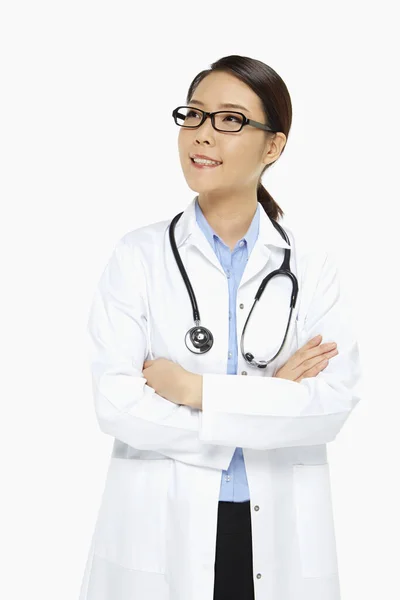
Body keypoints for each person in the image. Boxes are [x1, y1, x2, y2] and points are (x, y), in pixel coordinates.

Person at [79, 55, 362, 600]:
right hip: (159, 532)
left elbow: (330, 406)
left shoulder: (312, 264)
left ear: (274, 146)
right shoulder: (136, 256)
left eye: (230, 119)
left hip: (275, 535)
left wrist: (194, 391)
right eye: (195, 115)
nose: (203, 134)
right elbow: (117, 405)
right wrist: (272, 398)